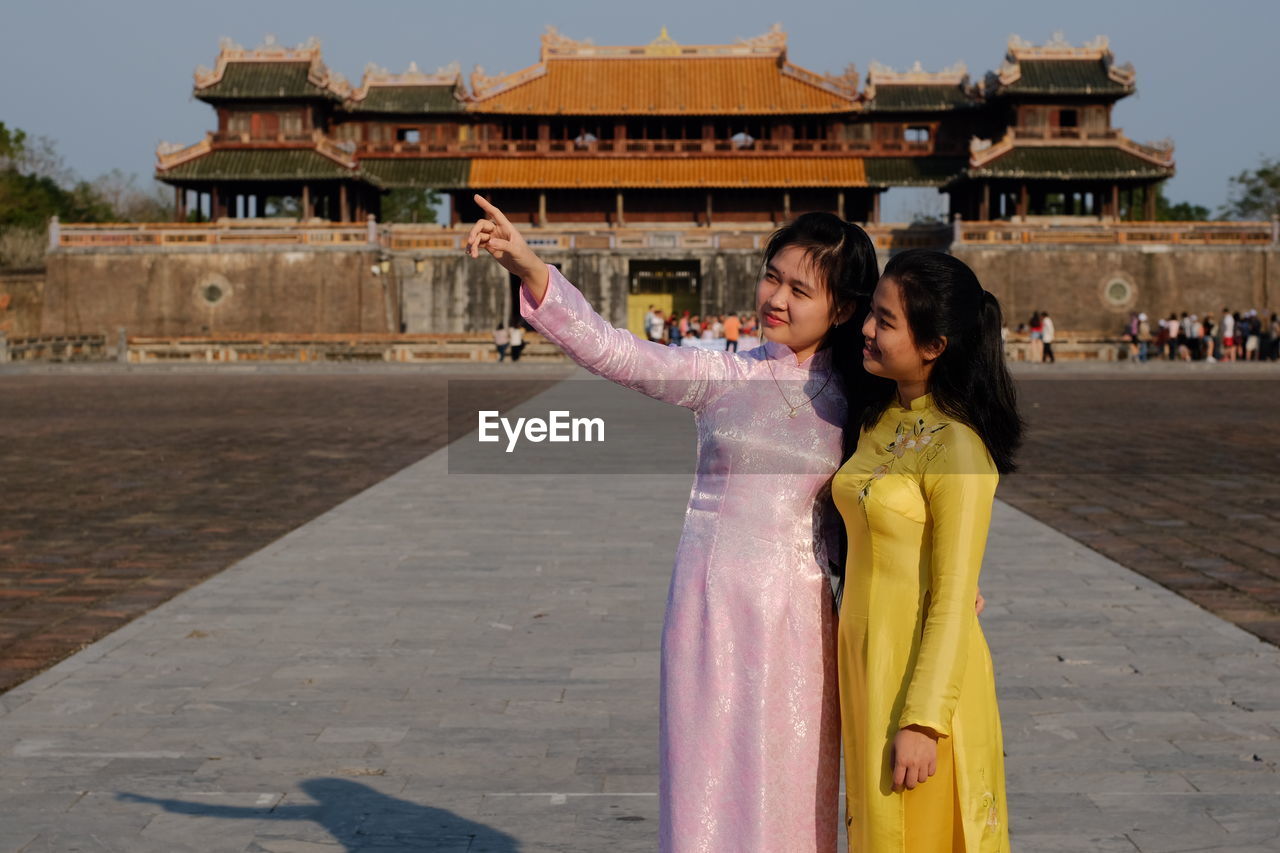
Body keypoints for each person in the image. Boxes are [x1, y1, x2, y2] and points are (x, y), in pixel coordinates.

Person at [466, 195, 874, 851]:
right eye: (773, 276)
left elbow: (903, 491)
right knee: (706, 783)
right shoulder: (721, 374)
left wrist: (948, 577)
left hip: (802, 621)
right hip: (710, 609)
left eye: (801, 288)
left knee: (795, 785)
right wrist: (529, 267)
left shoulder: (859, 402)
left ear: (844, 308)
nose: (777, 297)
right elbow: (616, 351)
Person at [833, 250, 1019, 852]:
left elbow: (952, 599)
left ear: (934, 345)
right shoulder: (877, 417)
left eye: (886, 321)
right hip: (867, 663)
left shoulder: (959, 449)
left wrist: (923, 721)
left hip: (921, 678)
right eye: (872, 313)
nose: (867, 328)